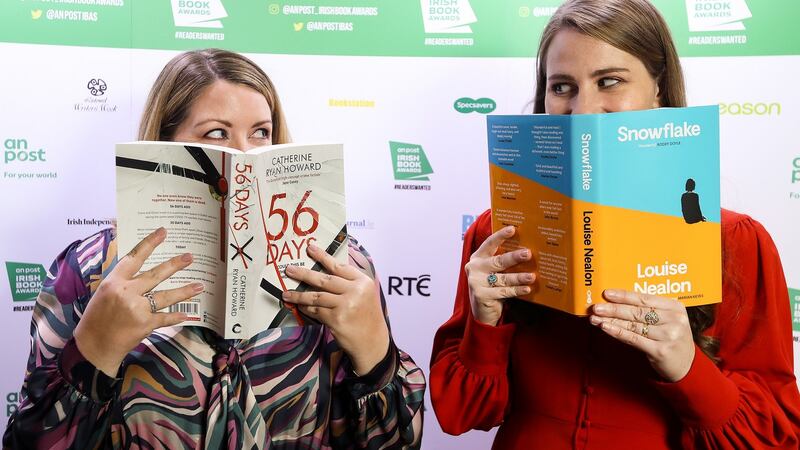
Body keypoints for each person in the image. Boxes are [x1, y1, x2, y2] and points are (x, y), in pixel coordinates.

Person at [3, 49, 425, 449]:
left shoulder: (338, 266)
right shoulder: (92, 271)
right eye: (217, 133)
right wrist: (94, 351)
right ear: (165, 145)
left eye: (260, 132)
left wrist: (376, 355)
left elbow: (400, 442)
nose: (244, 154)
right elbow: (28, 441)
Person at [429, 1, 800, 448]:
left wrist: (686, 365)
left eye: (609, 81)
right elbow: (460, 414)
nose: (583, 110)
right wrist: (484, 323)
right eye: (562, 87)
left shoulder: (736, 241)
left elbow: (774, 434)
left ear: (658, 89)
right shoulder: (497, 234)